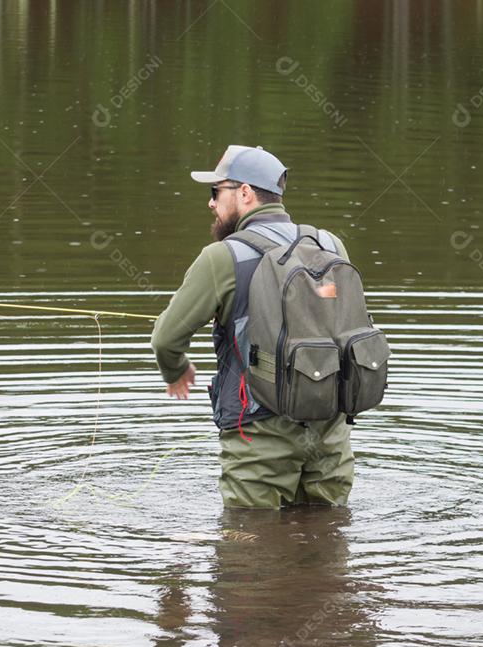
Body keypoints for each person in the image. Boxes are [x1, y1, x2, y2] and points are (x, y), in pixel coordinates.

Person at [150, 144, 355, 509]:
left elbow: (166, 339)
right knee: (329, 533)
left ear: (244, 192)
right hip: (329, 434)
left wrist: (176, 370)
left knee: (248, 539)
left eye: (216, 191)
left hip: (257, 438)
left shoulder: (221, 257)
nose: (211, 202)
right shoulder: (330, 244)